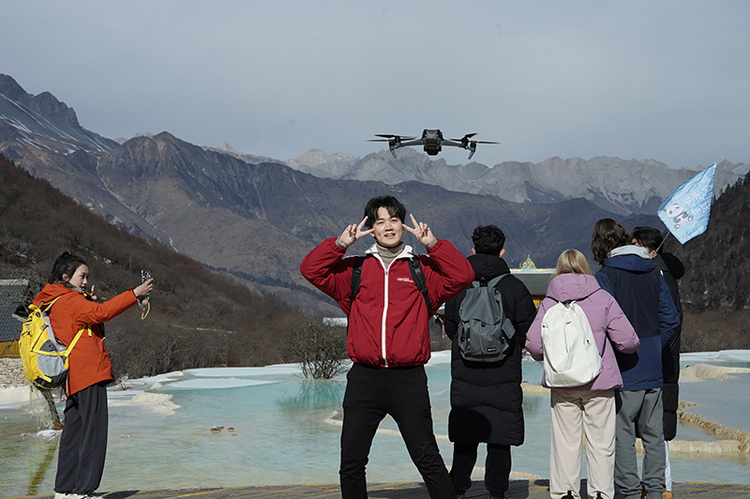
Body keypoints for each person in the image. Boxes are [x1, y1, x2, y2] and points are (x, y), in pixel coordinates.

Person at [300, 195, 474, 499]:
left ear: (403, 225)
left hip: (407, 379)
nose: (388, 226)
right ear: (371, 228)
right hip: (364, 379)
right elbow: (311, 270)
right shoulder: (354, 270)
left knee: (427, 459)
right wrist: (339, 245)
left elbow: (463, 275)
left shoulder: (423, 271)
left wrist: (433, 245)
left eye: (394, 220)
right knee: (352, 462)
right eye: (380, 221)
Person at [37, 251, 153, 499]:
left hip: (74, 376)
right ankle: (84, 491)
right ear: (66, 276)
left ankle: (65, 490)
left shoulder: (56, 299)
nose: (85, 281)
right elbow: (102, 312)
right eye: (82, 276)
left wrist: (88, 297)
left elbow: (92, 315)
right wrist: (135, 294)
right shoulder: (70, 300)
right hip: (89, 371)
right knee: (94, 431)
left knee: (74, 432)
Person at [526, 249, 640, 499]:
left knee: (565, 443)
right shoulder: (602, 297)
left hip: (563, 383)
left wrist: (554, 356)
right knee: (601, 443)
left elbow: (533, 344)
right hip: (599, 381)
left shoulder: (549, 301)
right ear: (584, 267)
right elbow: (628, 341)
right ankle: (600, 493)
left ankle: (566, 492)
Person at [442, 225, 537, 499]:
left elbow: (450, 328)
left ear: (472, 250)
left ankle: (458, 489)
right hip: (504, 373)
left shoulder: (458, 285)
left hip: (466, 373)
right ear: (502, 251)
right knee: (499, 438)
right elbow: (527, 329)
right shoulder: (514, 287)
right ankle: (496, 493)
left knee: (465, 437)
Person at [590, 219, 679, 499]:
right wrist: (653, 344)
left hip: (624, 367)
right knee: (654, 435)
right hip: (653, 366)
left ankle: (628, 492)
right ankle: (654, 490)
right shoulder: (654, 273)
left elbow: (604, 322)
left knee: (623, 435)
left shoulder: (606, 276)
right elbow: (671, 319)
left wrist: (622, 348)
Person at [631, 227, 685, 499]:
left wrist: (649, 349)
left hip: (659, 362)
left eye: (636, 246)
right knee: (655, 427)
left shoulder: (659, 277)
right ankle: (657, 485)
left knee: (656, 428)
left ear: (650, 250)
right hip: (663, 360)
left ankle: (661, 486)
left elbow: (668, 323)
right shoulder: (665, 275)